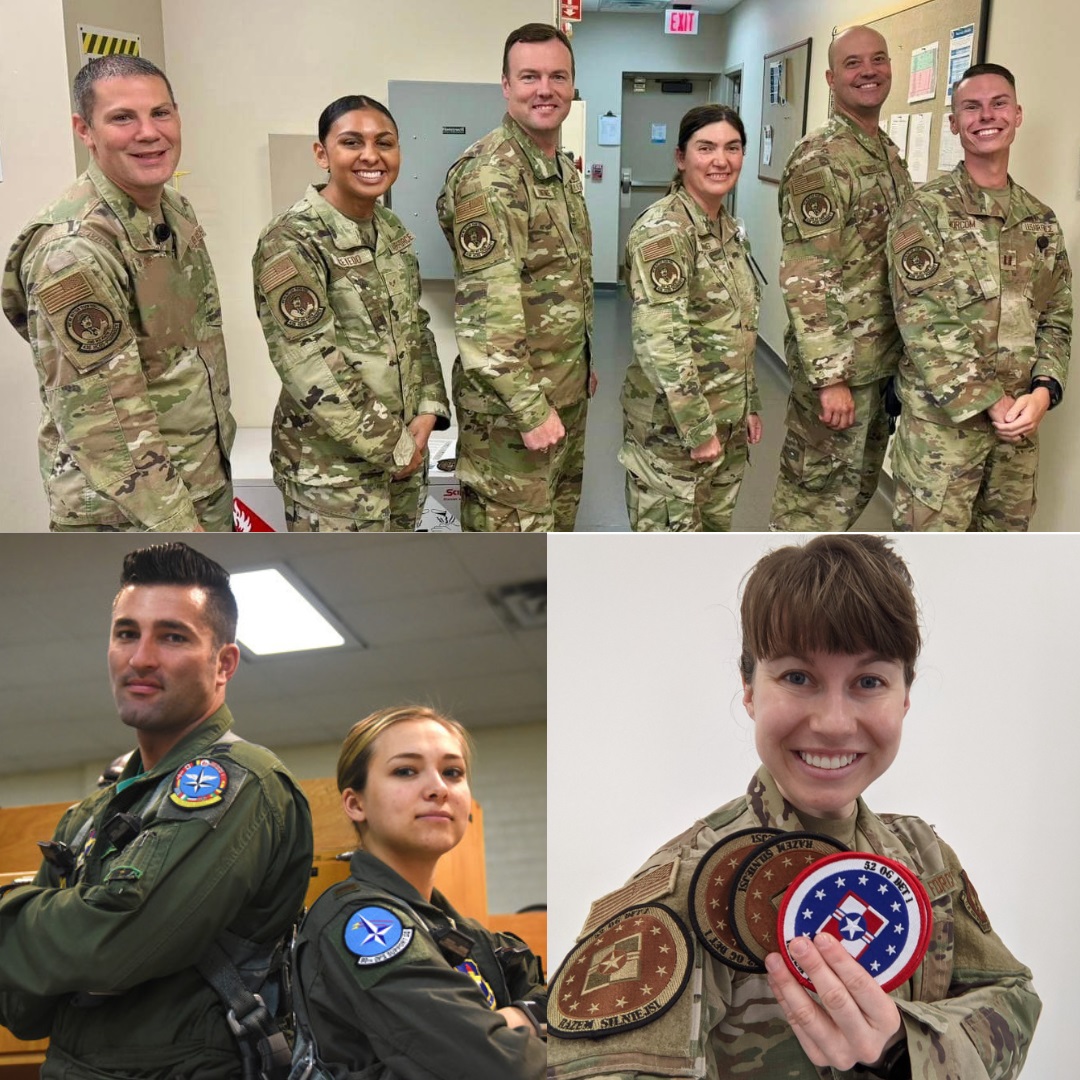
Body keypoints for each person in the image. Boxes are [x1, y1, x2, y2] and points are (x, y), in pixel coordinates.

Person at [547, 534, 1039, 1079]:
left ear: (905, 696)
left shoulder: (923, 857)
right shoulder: (689, 886)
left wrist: (903, 1043)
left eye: (868, 681)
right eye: (798, 678)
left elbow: (1012, 995)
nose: (833, 722)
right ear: (749, 689)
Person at [0, 542, 313, 1078]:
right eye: (127, 633)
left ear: (224, 664)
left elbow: (112, 944)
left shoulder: (243, 783)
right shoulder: (90, 815)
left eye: (172, 636)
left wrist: (45, 929)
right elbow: (23, 1008)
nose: (140, 657)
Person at [1, 56, 235, 532]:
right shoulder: (74, 251)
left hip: (196, 484)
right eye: (122, 118)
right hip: (128, 514)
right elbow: (103, 422)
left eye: (161, 113)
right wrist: (177, 525)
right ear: (84, 130)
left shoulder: (171, 210)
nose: (149, 133)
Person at [290, 705, 546, 1078]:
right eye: (405, 771)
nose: (438, 789)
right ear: (355, 803)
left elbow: (570, 1008)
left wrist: (516, 1018)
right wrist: (526, 1023)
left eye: (452, 772)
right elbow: (492, 1066)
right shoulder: (360, 922)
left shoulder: (466, 932)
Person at [887, 63, 1071, 531]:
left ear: (1018, 114)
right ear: (954, 123)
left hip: (1018, 434)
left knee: (1000, 562)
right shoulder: (924, 212)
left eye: (999, 103)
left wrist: (1043, 392)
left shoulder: (1040, 220)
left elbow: (1056, 314)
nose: (986, 115)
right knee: (928, 567)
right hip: (942, 434)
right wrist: (993, 401)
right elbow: (925, 324)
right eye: (971, 106)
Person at [253, 95, 450, 532]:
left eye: (385, 143)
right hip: (333, 480)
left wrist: (428, 410)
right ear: (322, 153)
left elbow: (415, 326)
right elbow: (310, 364)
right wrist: (394, 447)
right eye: (351, 142)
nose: (370, 156)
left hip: (403, 461)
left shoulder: (391, 230)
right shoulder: (292, 241)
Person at [437, 23, 594, 532]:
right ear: (505, 85)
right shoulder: (491, 175)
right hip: (513, 414)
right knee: (514, 556)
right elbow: (486, 318)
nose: (544, 89)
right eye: (529, 76)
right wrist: (529, 409)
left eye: (557, 76)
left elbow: (562, 280)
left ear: (572, 85)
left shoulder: (560, 170)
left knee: (556, 539)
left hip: (561, 394)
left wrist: (581, 358)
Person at [769, 26, 913, 532]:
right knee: (811, 505)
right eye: (853, 64)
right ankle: (782, 600)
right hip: (842, 370)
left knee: (853, 493)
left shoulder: (887, 154)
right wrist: (831, 378)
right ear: (831, 78)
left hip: (880, 364)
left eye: (878, 59)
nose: (868, 71)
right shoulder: (821, 157)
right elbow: (808, 272)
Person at [620, 105, 761, 532]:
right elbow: (662, 343)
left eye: (732, 148)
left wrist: (749, 403)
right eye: (706, 148)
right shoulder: (665, 231)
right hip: (675, 435)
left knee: (713, 548)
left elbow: (739, 328)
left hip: (727, 426)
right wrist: (698, 429)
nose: (721, 160)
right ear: (681, 157)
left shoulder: (727, 229)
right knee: (669, 558)